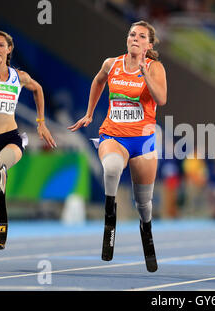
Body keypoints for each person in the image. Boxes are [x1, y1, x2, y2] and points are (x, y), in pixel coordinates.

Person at [68, 21, 167, 271]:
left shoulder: (155, 68)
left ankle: (146, 229)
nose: (135, 38)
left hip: (142, 141)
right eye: (132, 34)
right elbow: (98, 81)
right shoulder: (111, 64)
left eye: (141, 36)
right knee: (111, 167)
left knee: (144, 204)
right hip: (113, 134)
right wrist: (90, 113)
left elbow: (162, 99)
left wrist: (145, 75)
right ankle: (110, 215)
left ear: (149, 45)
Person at [0, 31, 56, 241]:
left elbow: (37, 89)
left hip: (9, 138)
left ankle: (3, 230)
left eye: (1, 45)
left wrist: (41, 122)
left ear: (9, 49)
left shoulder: (19, 76)